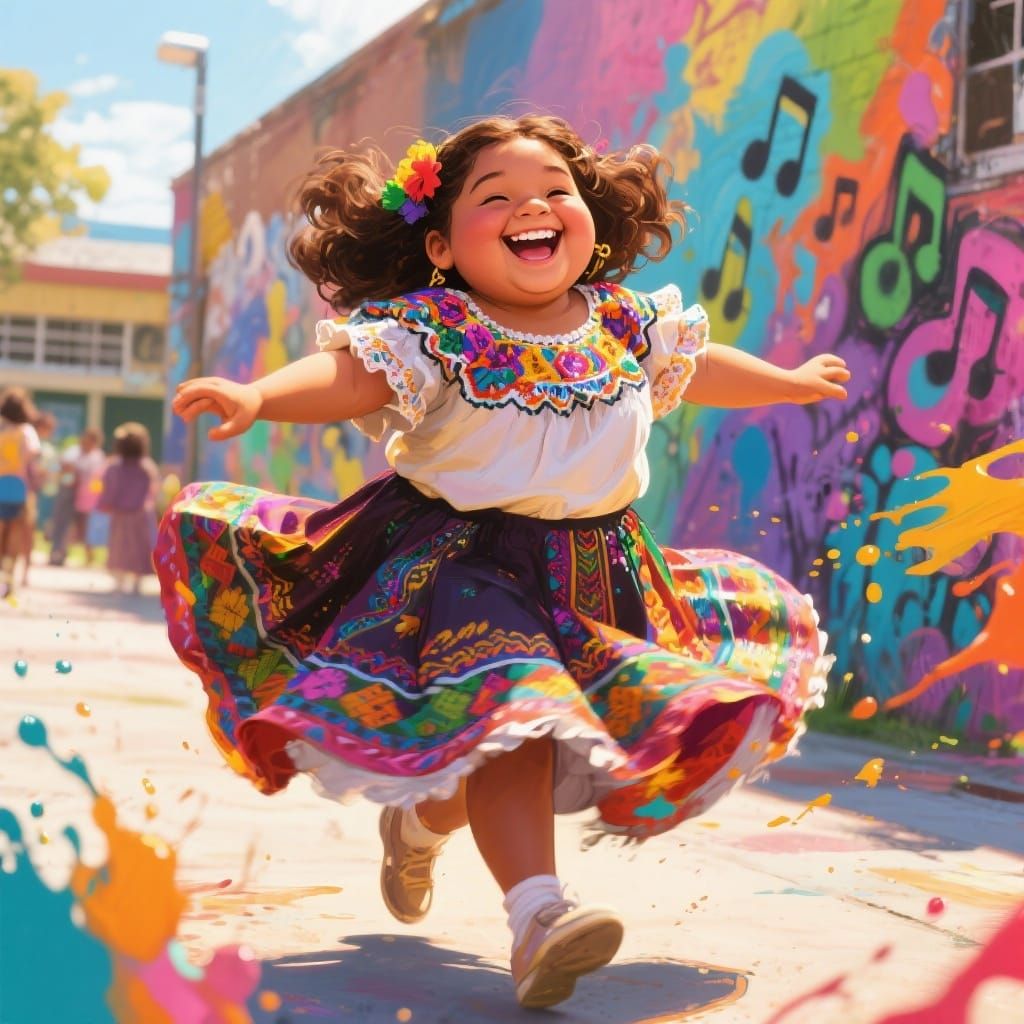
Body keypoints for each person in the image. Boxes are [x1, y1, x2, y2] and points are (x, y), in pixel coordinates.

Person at [156, 114, 849, 1009]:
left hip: (601, 572)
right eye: (499, 199)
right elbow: (354, 381)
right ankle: (539, 920)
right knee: (512, 714)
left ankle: (420, 823)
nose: (535, 207)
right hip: (462, 566)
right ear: (441, 244)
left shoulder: (624, 322)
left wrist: (787, 381)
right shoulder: (433, 328)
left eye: (556, 191)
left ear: (587, 215)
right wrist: (257, 393)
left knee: (519, 745)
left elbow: (701, 365)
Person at [98, 422, 158, 594]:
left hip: (120, 513)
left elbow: (109, 488)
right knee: (139, 546)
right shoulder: (147, 466)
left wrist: (105, 504)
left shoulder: (114, 466)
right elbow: (152, 490)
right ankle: (137, 581)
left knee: (119, 544)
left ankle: (119, 578)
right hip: (141, 513)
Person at [0, 388, 41, 598]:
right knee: (16, 532)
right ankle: (8, 579)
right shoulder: (26, 430)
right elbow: (34, 453)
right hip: (18, 486)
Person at [13, 410, 58, 588]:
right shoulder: (33, 440)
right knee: (26, 533)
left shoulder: (18, 435)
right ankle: (23, 574)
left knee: (17, 532)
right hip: (27, 492)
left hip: (15, 488)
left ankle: (18, 573)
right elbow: (41, 469)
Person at [70, 427, 105, 565]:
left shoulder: (97, 456)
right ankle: (83, 553)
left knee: (91, 527)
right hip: (81, 496)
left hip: (92, 498)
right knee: (81, 526)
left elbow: (98, 477)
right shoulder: (80, 455)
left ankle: (89, 555)